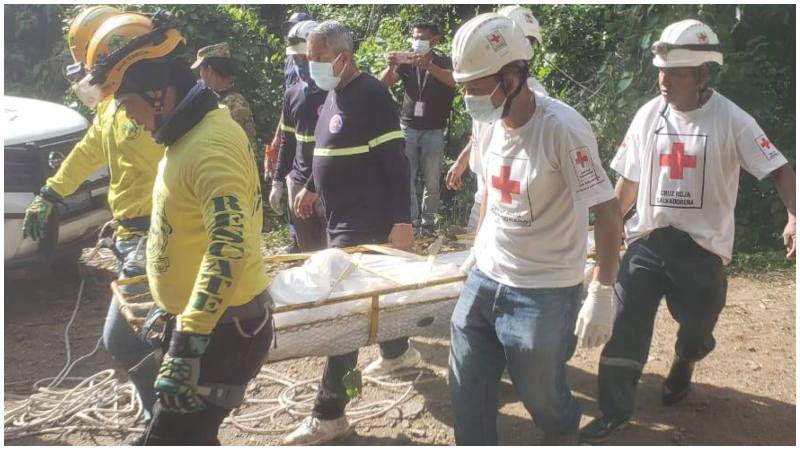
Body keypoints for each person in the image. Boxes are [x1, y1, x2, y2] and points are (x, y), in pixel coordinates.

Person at [580, 19, 796, 444]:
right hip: (648, 240)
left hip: (702, 248)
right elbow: (628, 184)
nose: (664, 81)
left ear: (701, 74)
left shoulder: (732, 120)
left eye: (675, 73)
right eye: (661, 71)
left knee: (698, 330)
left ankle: (685, 360)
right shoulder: (648, 115)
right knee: (625, 325)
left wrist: (795, 214)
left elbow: (780, 169)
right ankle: (615, 411)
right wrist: (607, 230)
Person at [79, 11, 273, 444]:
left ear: (157, 93)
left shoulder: (209, 145)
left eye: (129, 106)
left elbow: (229, 245)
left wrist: (187, 343)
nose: (131, 121)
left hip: (222, 332)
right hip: (206, 326)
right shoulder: (187, 134)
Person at [447, 13, 622, 445]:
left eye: (476, 86)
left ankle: (566, 431)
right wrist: (477, 250)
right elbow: (489, 187)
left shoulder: (562, 129)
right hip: (486, 278)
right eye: (464, 88)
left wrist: (601, 292)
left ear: (513, 76)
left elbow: (608, 209)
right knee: (466, 382)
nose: (469, 97)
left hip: (544, 290)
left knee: (540, 395)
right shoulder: (486, 125)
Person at [22, 5, 165, 424]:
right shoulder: (113, 107)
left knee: (121, 337)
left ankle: (169, 422)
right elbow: (89, 150)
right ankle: (168, 419)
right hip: (130, 234)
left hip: (156, 235)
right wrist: (51, 192)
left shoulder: (158, 110)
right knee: (151, 335)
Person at [283, 20, 421, 445]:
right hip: (337, 219)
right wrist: (308, 185)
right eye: (307, 59)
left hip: (368, 223)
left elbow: (396, 164)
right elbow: (323, 151)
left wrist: (402, 221)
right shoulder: (332, 95)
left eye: (319, 59)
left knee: (342, 320)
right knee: (371, 304)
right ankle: (399, 353)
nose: (311, 66)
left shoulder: (371, 96)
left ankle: (329, 414)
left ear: (343, 57)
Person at [446, 5, 548, 232]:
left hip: (510, 202)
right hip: (486, 192)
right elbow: (479, 133)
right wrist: (462, 161)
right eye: (526, 40)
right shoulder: (484, 87)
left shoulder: (533, 100)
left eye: (530, 43)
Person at [380, 21, 456, 235]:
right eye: (415, 37)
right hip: (408, 126)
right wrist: (391, 66)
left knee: (432, 179)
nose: (417, 41)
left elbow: (453, 81)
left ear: (435, 40)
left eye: (422, 38)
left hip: (434, 129)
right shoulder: (407, 61)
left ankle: (428, 222)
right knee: (407, 176)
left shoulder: (443, 61)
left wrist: (429, 67)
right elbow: (382, 84)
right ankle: (411, 221)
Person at [269, 20, 328, 252]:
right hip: (299, 181)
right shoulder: (292, 95)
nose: (301, 63)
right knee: (310, 253)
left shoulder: (336, 92)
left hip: (329, 182)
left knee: (335, 253)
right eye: (296, 59)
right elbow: (288, 140)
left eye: (305, 57)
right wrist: (278, 180)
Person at [192, 42, 258, 150]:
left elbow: (247, 147)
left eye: (201, 69)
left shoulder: (234, 104)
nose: (200, 75)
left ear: (208, 70)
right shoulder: (214, 99)